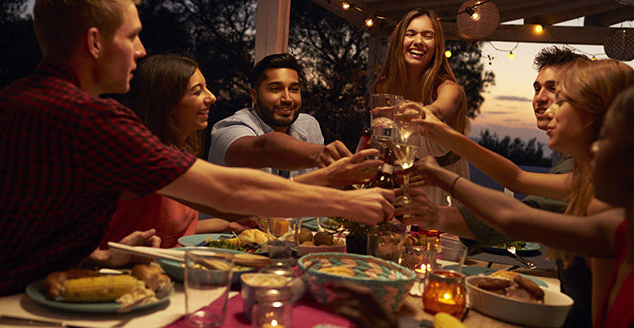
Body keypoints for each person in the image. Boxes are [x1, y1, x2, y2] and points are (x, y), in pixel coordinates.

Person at [0, 0, 393, 300]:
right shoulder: (89, 117)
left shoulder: (9, 99)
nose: (141, 50)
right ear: (94, 42)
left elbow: (22, 218)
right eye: (132, 36)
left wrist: (97, 255)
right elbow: (226, 191)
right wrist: (350, 203)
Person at [409, 68, 634, 327]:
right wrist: (442, 156)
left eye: (606, 138)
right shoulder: (618, 229)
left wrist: (443, 180)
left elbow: (514, 217)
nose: (547, 105)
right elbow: (514, 190)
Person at [400, 46, 593, 327]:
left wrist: (439, 209)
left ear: (589, 102)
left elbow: (518, 216)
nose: (540, 99)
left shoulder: (592, 167)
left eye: (554, 91)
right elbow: (515, 179)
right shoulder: (575, 159)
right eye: (537, 88)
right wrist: (446, 138)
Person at [93, 54, 253, 250]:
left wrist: (225, 225)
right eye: (197, 91)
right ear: (166, 103)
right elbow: (227, 193)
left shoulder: (178, 151)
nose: (211, 97)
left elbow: (161, 229)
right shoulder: (146, 160)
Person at [209, 53, 375, 187]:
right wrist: (319, 154)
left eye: (294, 89)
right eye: (276, 89)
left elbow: (318, 192)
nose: (287, 98)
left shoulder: (308, 125)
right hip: (224, 229)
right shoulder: (229, 127)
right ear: (254, 95)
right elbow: (264, 148)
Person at [372, 8, 470, 206]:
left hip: (446, 184)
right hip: (404, 180)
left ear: (437, 45)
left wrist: (417, 113)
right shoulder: (384, 87)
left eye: (428, 36)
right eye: (411, 34)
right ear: (400, 40)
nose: (418, 41)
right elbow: (382, 144)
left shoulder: (449, 89)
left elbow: (439, 110)